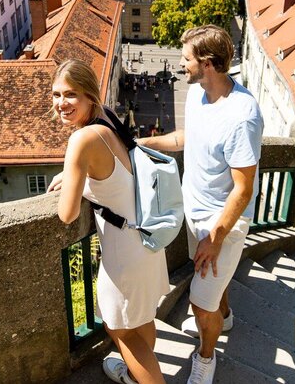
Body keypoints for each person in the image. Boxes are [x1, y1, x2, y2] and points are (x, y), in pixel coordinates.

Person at [137, 25, 263, 384]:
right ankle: (224, 316)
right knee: (211, 291)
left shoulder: (242, 116)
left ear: (207, 63)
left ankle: (206, 360)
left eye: (186, 58)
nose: (180, 63)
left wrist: (216, 237)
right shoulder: (197, 95)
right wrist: (145, 144)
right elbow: (186, 140)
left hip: (221, 222)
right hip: (193, 212)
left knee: (198, 303)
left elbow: (243, 188)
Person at [47, 59, 169, 384]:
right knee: (141, 320)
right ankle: (133, 375)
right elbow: (114, 165)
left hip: (123, 257)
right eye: (56, 94)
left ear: (89, 95)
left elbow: (67, 213)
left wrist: (73, 173)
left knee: (121, 329)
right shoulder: (109, 118)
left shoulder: (81, 140)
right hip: (147, 240)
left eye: (70, 94)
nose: (61, 103)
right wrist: (77, 172)